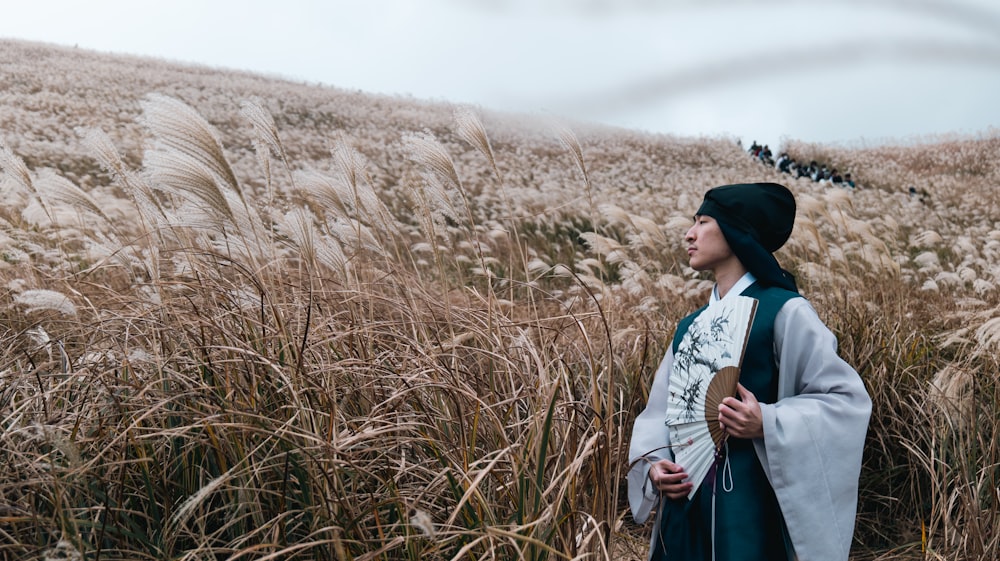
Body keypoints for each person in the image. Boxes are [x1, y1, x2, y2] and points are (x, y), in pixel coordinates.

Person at [627, 182, 872, 561]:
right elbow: (661, 413)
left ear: (737, 232)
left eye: (704, 221)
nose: (689, 233)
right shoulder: (690, 326)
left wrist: (768, 421)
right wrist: (655, 464)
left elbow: (845, 401)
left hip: (751, 511)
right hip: (684, 506)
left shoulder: (784, 311)